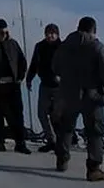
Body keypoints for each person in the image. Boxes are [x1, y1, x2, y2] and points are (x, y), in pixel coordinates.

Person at [51, 15, 104, 180]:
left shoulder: (64, 46)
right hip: (91, 94)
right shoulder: (97, 47)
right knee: (94, 132)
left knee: (65, 128)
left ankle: (62, 159)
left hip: (67, 93)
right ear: (94, 30)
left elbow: (55, 67)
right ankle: (93, 168)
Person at [0, 18, 31, 153]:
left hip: (13, 85)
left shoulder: (13, 44)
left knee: (17, 114)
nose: (3, 35)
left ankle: (20, 143)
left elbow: (22, 61)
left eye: (5, 32)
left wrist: (20, 77)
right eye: (0, 32)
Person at [27, 23, 62, 152]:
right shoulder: (40, 46)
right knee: (41, 113)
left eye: (52, 33)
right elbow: (34, 63)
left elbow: (70, 66)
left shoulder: (62, 47)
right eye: (48, 33)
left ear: (57, 34)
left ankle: (61, 142)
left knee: (57, 116)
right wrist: (29, 78)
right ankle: (50, 140)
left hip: (60, 87)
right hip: (45, 84)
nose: (50, 36)